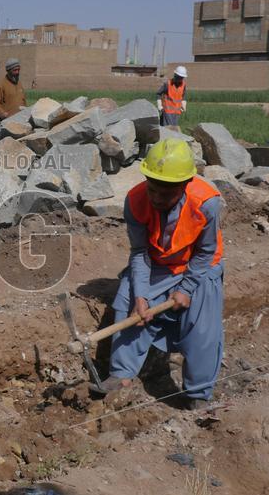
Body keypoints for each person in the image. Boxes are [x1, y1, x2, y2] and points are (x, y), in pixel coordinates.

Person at [94, 139, 223, 410]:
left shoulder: (206, 204)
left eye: (166, 195)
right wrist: (141, 296)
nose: (157, 199)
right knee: (131, 304)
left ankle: (197, 394)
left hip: (198, 266)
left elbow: (206, 253)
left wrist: (186, 289)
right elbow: (140, 252)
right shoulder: (135, 200)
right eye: (153, 190)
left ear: (184, 185)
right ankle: (121, 375)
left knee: (202, 326)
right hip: (157, 263)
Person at [0, 58, 26, 123]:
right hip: (6, 122)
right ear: (8, 71)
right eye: (15, 70)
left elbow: (23, 101)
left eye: (18, 70)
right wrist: (4, 114)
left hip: (20, 121)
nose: (17, 72)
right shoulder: (1, 85)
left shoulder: (19, 84)